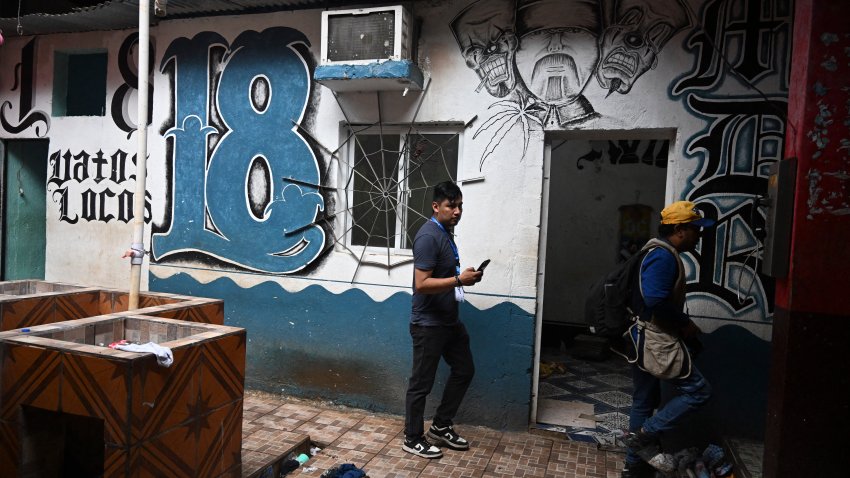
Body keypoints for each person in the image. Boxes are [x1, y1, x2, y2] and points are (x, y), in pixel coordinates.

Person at [621, 201, 715, 478]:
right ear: (679, 230)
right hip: (655, 340)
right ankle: (644, 435)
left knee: (644, 401)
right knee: (699, 391)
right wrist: (685, 324)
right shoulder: (663, 255)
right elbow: (654, 299)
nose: (699, 234)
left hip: (643, 337)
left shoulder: (658, 251)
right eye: (695, 229)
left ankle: (633, 469)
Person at [402, 181, 483, 459]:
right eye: (451, 206)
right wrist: (460, 280)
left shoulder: (446, 233)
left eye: (460, 205)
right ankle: (412, 438)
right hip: (428, 324)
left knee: (464, 370)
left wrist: (463, 275)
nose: (457, 211)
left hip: (449, 321)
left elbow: (444, 273)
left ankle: (440, 426)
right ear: (436, 207)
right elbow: (421, 284)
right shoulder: (428, 236)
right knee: (421, 384)